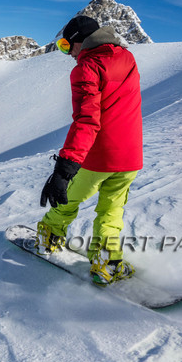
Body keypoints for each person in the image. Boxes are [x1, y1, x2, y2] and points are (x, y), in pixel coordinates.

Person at [36, 15, 144, 285]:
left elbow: (87, 120)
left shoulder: (87, 68)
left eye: (65, 46)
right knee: (112, 211)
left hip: (98, 156)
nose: (67, 53)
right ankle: (107, 262)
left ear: (78, 42)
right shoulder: (127, 59)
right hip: (130, 157)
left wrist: (65, 166)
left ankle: (48, 235)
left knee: (67, 198)